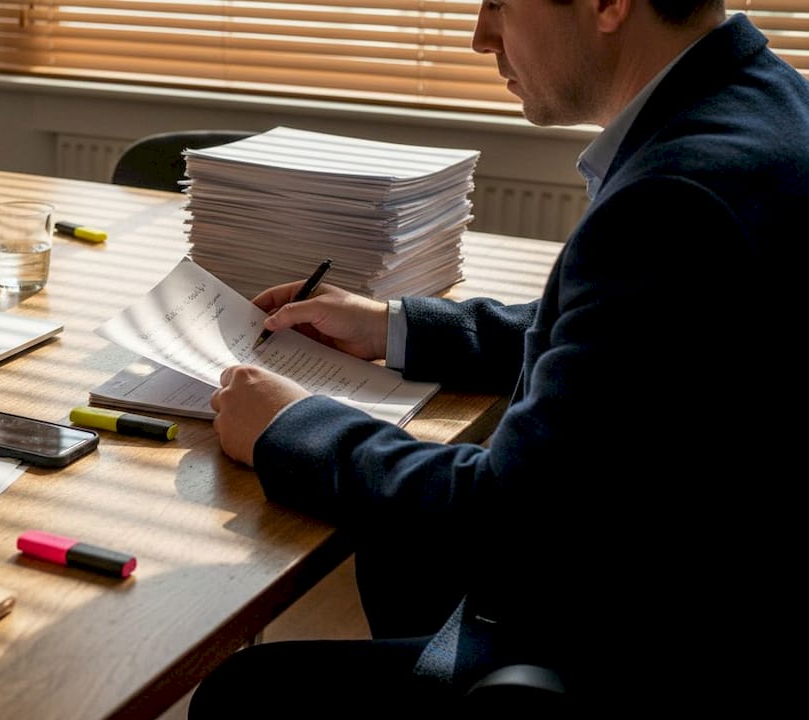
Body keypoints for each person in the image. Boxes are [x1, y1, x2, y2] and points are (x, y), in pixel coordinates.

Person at [189, 0, 806, 713]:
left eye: (499, 4)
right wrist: (396, 327)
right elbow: (631, 341)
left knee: (245, 694)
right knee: (396, 557)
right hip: (695, 564)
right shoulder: (766, 108)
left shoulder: (678, 197)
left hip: (654, 646)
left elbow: (505, 520)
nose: (481, 36)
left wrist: (291, 428)